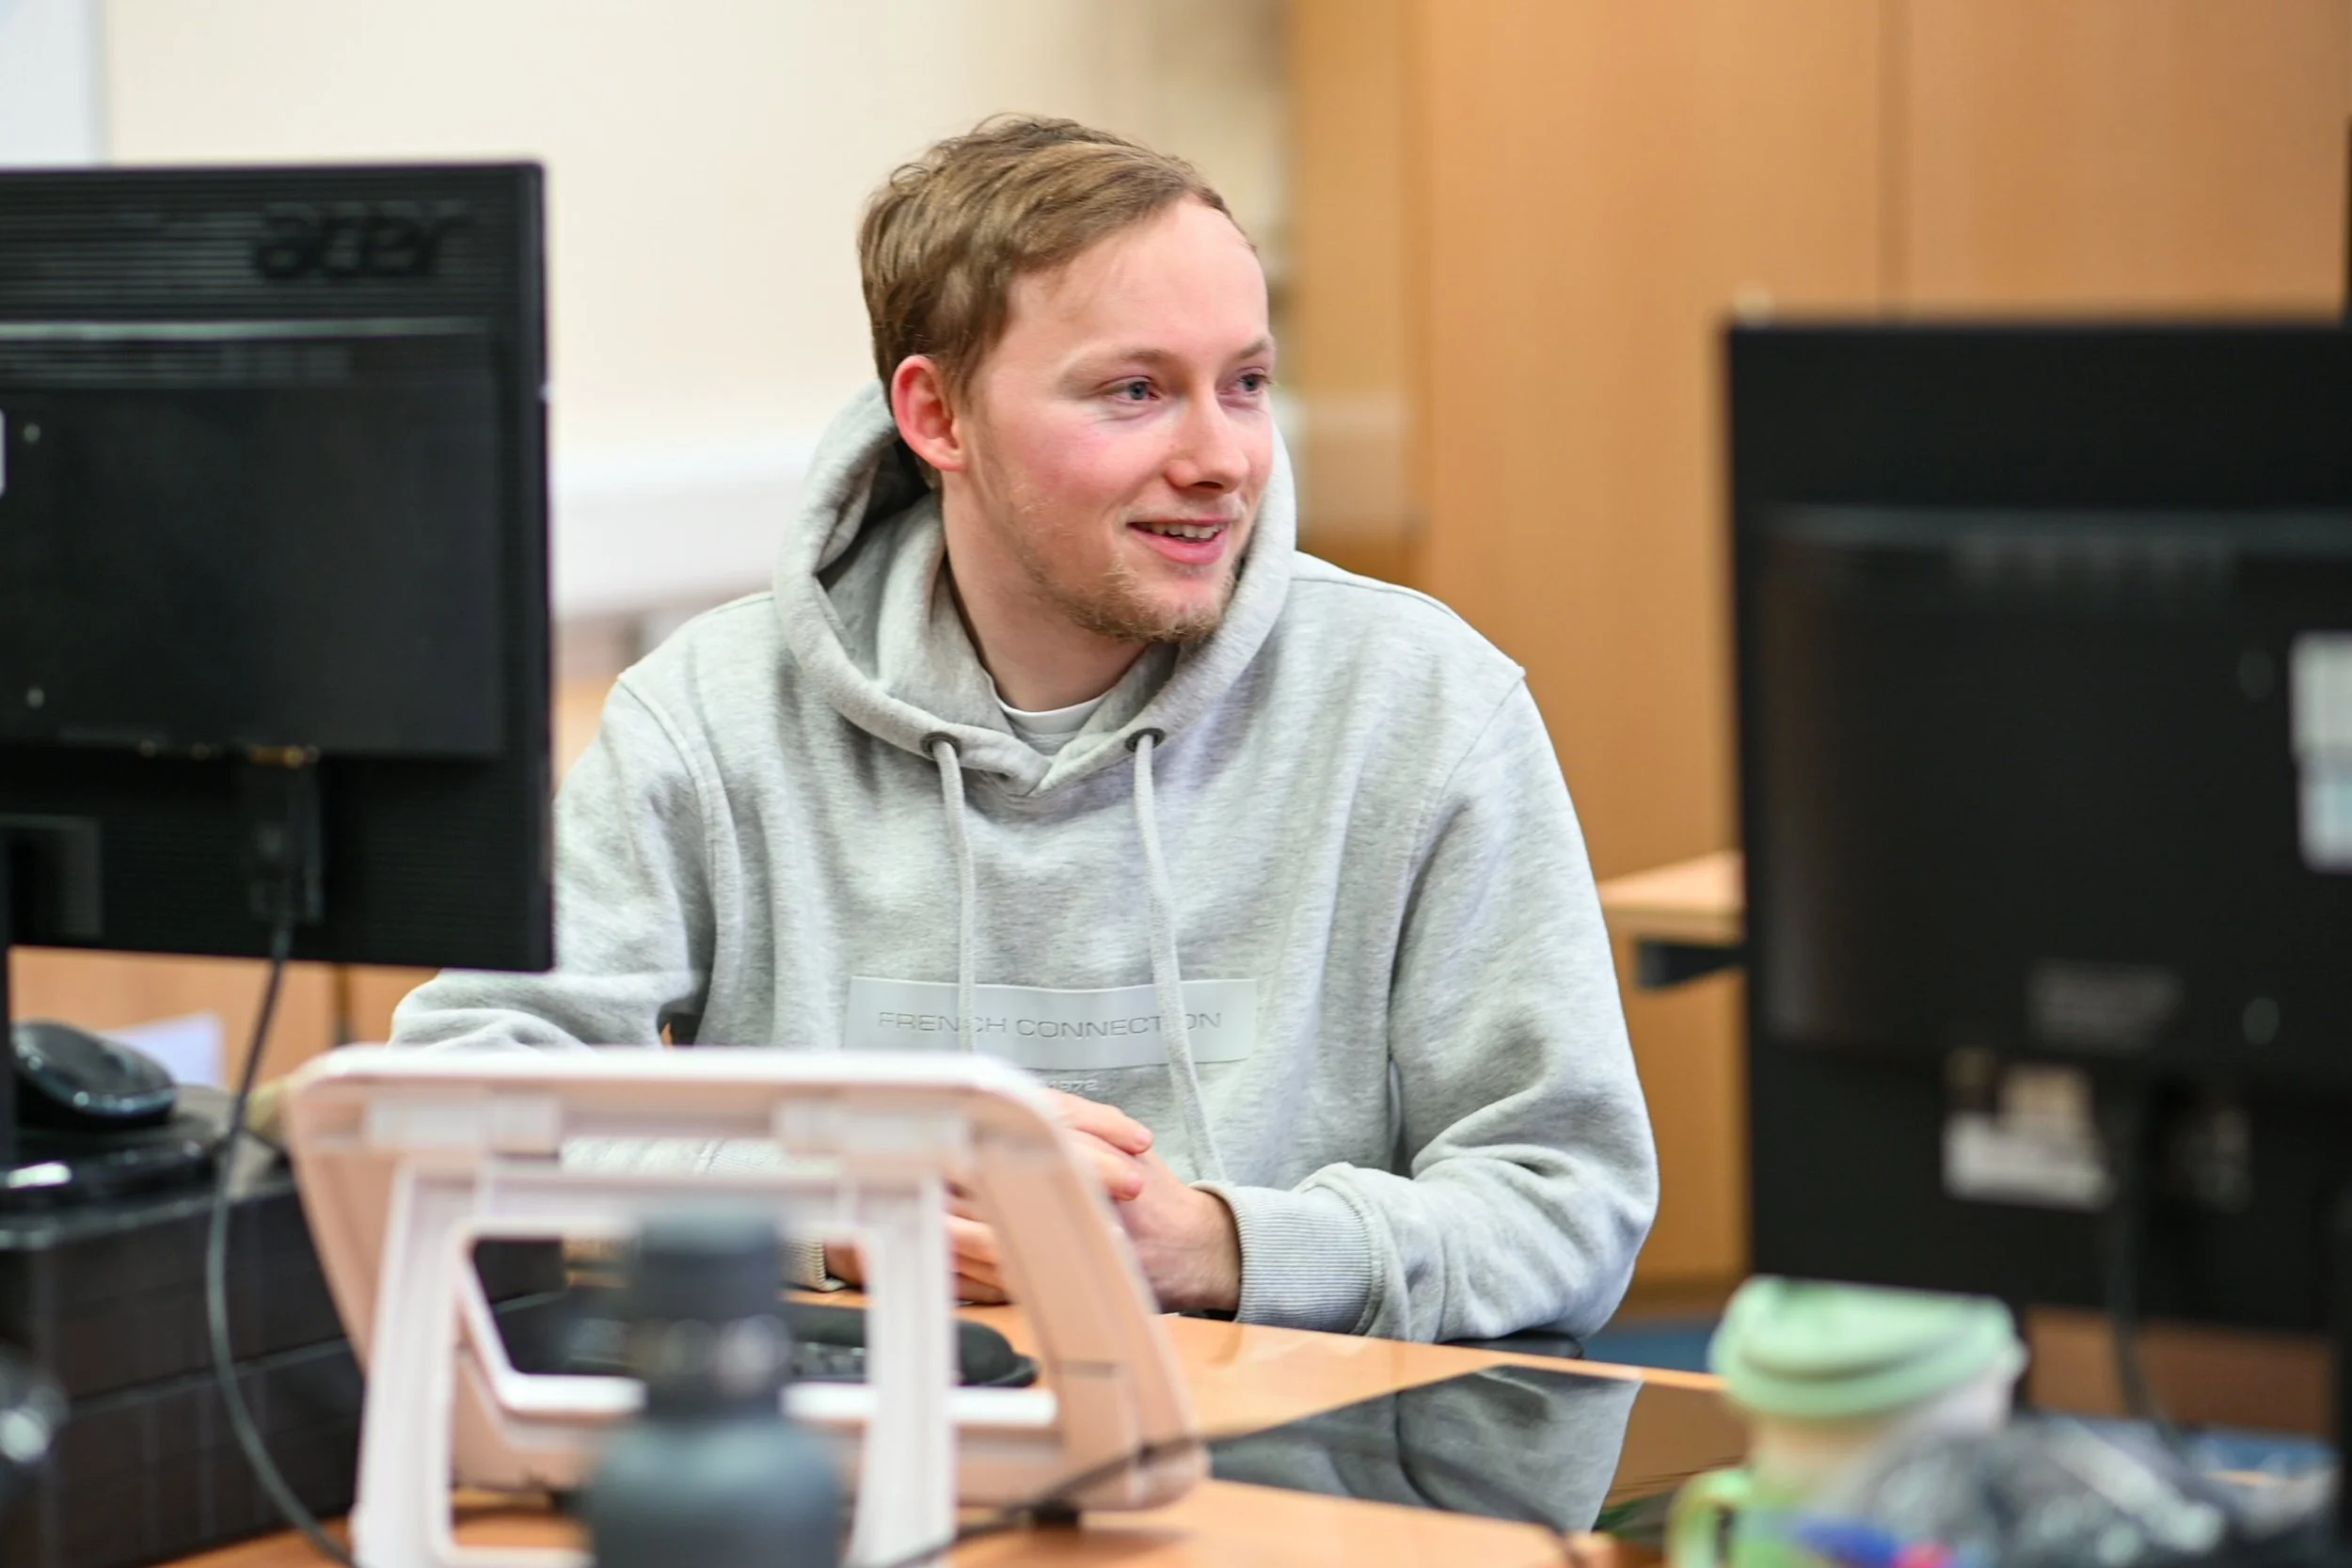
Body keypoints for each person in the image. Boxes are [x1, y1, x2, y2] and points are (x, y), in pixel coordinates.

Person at [393, 116, 1657, 1344]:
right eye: (1135, 390)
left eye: (1248, 384)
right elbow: (458, 1098)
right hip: (852, 1463)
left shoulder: (1424, 704)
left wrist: (1216, 1244)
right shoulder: (711, 714)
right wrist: (834, 1206)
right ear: (937, 417)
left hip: (1299, 1468)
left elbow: (1567, 1199)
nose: (1222, 456)